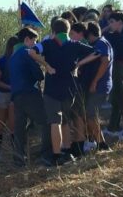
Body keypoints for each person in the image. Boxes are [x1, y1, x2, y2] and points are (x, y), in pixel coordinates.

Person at [40, 19, 99, 164]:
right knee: (65, 121)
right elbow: (97, 52)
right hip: (69, 88)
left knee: (55, 122)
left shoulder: (47, 44)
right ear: (68, 31)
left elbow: (32, 52)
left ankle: (56, 154)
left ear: (53, 31)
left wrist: (46, 65)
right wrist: (79, 64)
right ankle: (67, 151)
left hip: (52, 89)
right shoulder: (75, 45)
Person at [10, 28, 50, 167]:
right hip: (30, 93)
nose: (35, 44)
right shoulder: (28, 53)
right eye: (34, 40)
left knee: (20, 127)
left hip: (16, 95)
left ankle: (19, 157)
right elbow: (39, 75)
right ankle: (46, 154)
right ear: (27, 39)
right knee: (46, 121)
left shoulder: (14, 55)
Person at [81, 21, 113, 152]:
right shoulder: (98, 43)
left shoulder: (101, 44)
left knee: (91, 115)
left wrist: (95, 81)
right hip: (96, 85)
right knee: (90, 115)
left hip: (99, 86)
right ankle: (94, 141)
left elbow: (105, 61)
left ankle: (102, 144)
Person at [0, 36, 19, 162]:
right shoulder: (2, 61)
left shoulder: (19, 60)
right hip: (2, 94)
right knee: (0, 124)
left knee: (13, 125)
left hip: (14, 95)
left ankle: (15, 153)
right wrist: (9, 86)